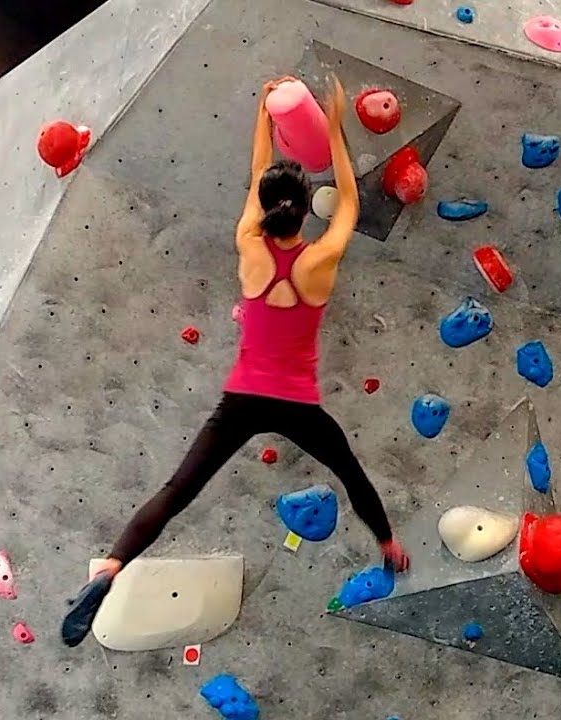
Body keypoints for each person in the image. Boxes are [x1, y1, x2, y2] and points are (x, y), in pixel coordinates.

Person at [61, 75, 411, 647]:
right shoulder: (320, 259)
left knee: (179, 489)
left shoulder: (249, 242)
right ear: (302, 214)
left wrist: (263, 114)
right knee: (348, 471)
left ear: (267, 208)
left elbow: (256, 174)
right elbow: (348, 200)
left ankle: (112, 566)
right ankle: (388, 544)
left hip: (241, 399)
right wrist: (337, 122)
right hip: (296, 404)